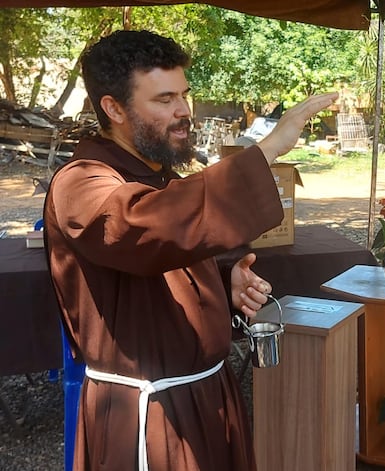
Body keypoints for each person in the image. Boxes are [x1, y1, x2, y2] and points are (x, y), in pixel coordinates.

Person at [43, 30, 337, 471]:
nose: (183, 111)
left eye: (184, 94)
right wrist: (268, 149)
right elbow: (144, 229)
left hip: (208, 394)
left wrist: (221, 280)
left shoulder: (160, 176)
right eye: (164, 99)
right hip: (151, 417)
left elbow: (168, 252)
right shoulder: (82, 182)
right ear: (113, 108)